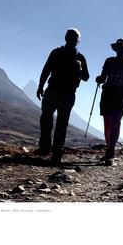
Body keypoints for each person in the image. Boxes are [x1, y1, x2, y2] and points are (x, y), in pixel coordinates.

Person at [35, 28, 90, 165]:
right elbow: (86, 77)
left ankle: (47, 149)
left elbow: (46, 69)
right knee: (59, 123)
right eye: (72, 38)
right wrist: (41, 86)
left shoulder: (58, 53)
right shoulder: (78, 57)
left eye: (74, 38)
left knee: (48, 119)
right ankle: (54, 152)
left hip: (56, 91)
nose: (72, 40)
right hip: (66, 94)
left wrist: (41, 86)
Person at [95, 38, 123, 165]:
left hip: (121, 95)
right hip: (108, 93)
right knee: (108, 122)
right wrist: (99, 79)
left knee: (116, 121)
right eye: (119, 48)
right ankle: (109, 150)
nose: (121, 51)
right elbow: (103, 77)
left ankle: (110, 153)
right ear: (117, 49)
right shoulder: (109, 61)